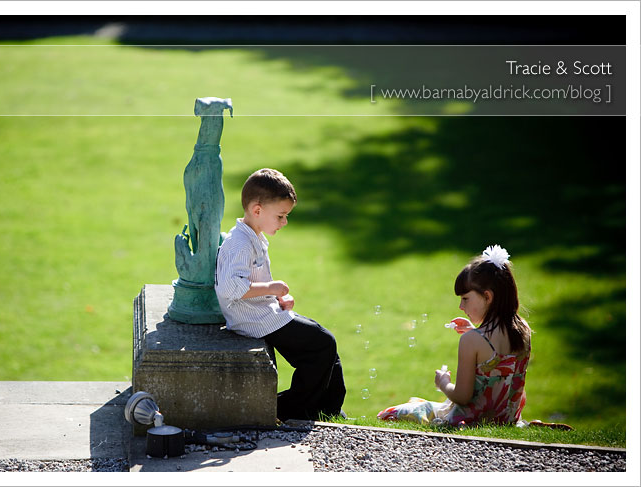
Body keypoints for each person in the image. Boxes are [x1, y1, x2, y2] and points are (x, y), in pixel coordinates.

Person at [214, 168, 346, 421]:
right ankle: (291, 409)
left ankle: (329, 409)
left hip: (264, 312)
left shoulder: (252, 237)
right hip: (252, 320)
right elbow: (230, 288)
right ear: (257, 210)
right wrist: (272, 288)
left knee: (323, 344)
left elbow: (252, 282)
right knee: (322, 344)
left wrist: (277, 298)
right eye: (281, 216)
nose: (284, 222)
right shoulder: (240, 243)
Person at [377, 245, 532, 427]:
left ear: (488, 297)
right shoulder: (523, 329)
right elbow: (497, 363)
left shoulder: (471, 341)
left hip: (469, 420)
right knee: (417, 405)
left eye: (465, 299)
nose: (461, 306)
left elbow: (462, 397)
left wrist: (443, 382)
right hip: (506, 420)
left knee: (389, 414)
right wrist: (473, 330)